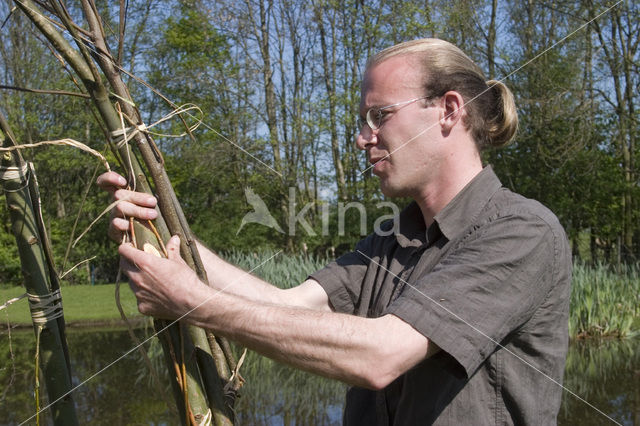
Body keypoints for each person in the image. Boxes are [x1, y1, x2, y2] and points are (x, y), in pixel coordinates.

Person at [98, 38, 572, 425]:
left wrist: (190, 302)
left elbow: (381, 355)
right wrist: (164, 230)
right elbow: (284, 305)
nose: (363, 138)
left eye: (379, 116)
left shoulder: (521, 232)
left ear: (449, 109)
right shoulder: (390, 243)